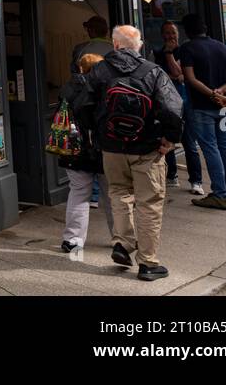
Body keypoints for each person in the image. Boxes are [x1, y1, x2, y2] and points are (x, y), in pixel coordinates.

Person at [89, 25, 183, 281]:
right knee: (149, 203)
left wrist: (98, 136)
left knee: (118, 193)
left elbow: (83, 105)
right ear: (138, 45)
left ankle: (122, 243)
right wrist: (170, 139)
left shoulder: (99, 70)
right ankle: (148, 263)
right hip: (147, 148)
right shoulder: (153, 72)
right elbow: (173, 109)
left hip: (111, 148)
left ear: (115, 45)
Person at [176, 13, 226, 211]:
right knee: (225, 147)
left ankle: (220, 195)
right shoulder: (222, 47)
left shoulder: (187, 48)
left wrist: (213, 95)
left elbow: (190, 78)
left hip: (201, 107)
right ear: (205, 28)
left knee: (210, 148)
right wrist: (222, 92)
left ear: (186, 31)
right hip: (222, 107)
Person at [58, 53, 115, 253]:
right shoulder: (102, 89)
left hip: (74, 147)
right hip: (101, 147)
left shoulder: (67, 89)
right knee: (111, 193)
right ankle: (120, 237)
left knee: (79, 193)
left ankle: (73, 240)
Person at [153, 22, 203, 194]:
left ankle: (196, 181)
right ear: (162, 35)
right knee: (168, 141)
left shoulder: (184, 51)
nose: (170, 36)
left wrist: (169, 54)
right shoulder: (157, 52)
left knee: (189, 143)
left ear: (178, 34)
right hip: (167, 105)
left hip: (185, 102)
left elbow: (175, 72)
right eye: (166, 33)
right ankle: (171, 175)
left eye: (173, 32)